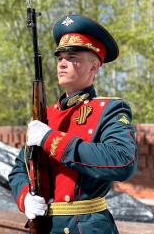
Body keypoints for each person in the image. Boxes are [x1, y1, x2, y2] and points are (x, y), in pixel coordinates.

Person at [8, 14, 138, 234]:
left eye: (72, 56)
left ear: (94, 66)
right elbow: (20, 169)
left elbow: (123, 160)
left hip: (85, 226)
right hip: (45, 227)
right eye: (60, 58)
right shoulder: (44, 116)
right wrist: (24, 197)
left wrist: (51, 139)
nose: (62, 63)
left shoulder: (109, 109)